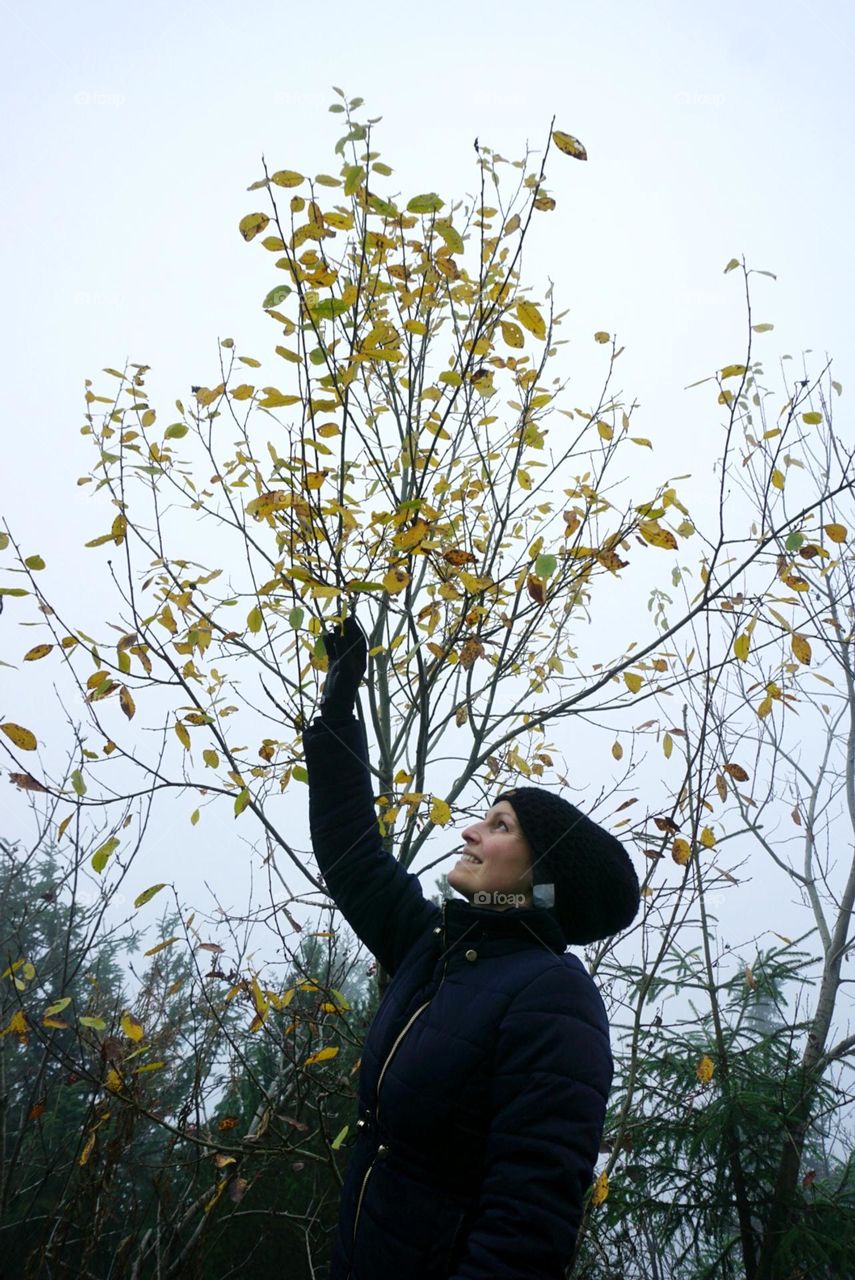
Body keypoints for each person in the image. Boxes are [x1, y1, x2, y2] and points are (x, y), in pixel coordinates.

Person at [303, 615, 640, 1280]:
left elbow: (526, 1230)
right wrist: (338, 712)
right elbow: (352, 857)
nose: (468, 832)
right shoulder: (439, 947)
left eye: (498, 824)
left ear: (542, 873)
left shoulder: (554, 998)